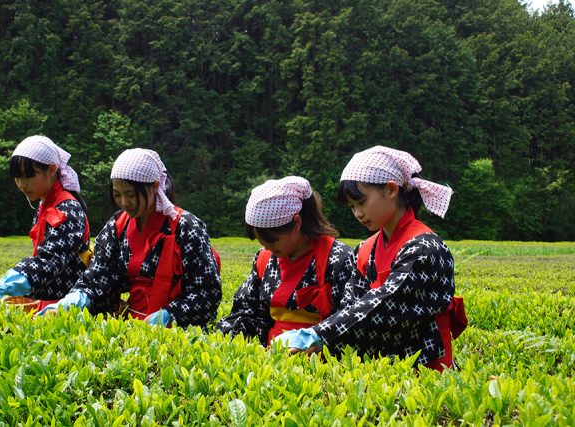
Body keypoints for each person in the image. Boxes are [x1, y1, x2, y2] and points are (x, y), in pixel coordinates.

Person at [274, 146, 467, 371]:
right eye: (352, 207)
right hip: (381, 372)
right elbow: (349, 310)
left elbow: (382, 306)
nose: (358, 214)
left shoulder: (426, 249)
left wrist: (319, 333)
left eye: (361, 202)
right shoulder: (365, 250)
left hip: (427, 374)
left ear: (391, 190)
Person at [39, 148, 222, 328]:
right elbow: (99, 274)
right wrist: (75, 299)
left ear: (155, 186)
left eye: (131, 195)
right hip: (130, 325)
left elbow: (208, 292)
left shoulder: (187, 227)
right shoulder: (118, 225)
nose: (124, 203)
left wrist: (169, 316)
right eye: (117, 195)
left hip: (177, 329)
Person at [216, 176, 355, 346]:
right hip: (270, 358)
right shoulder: (264, 259)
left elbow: (350, 319)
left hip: (317, 360)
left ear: (297, 222)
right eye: (262, 242)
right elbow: (245, 311)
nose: (267, 248)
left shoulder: (338, 259)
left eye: (273, 241)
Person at [0, 135, 91, 311]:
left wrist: (3, 286)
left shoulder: (67, 210)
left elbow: (49, 262)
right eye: (17, 177)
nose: (21, 184)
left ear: (51, 170)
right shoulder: (46, 205)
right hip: (48, 298)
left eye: (28, 176)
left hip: (65, 305)